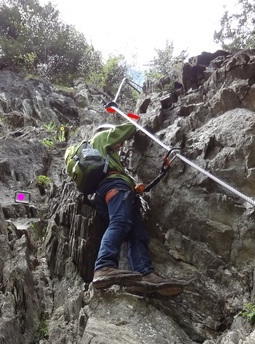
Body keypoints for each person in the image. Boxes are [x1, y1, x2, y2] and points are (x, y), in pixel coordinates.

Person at [65, 122, 184, 297]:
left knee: (137, 233)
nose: (120, 145)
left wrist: (133, 188)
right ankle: (104, 266)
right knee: (120, 222)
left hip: (112, 191)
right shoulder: (100, 138)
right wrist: (135, 121)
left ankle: (145, 274)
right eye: (117, 141)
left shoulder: (106, 156)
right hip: (114, 187)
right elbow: (128, 129)